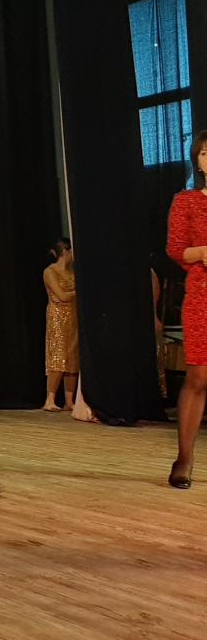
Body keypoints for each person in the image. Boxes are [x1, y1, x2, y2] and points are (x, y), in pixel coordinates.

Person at [166, 129, 207, 489]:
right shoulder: (187, 201)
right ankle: (185, 458)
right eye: (204, 153)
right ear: (198, 162)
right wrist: (203, 251)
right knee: (198, 378)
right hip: (201, 296)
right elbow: (176, 249)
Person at [42, 238, 79, 412]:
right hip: (57, 317)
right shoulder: (50, 271)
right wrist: (79, 291)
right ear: (65, 251)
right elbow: (61, 296)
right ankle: (50, 399)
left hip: (73, 316)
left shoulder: (73, 272)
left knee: (73, 357)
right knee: (58, 356)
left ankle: (69, 401)